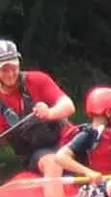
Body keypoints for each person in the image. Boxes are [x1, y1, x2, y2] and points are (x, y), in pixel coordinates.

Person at [0, 38, 77, 186]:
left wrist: (49, 113)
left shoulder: (36, 79)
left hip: (67, 142)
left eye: (14, 67)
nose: (10, 74)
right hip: (36, 154)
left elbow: (68, 106)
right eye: (4, 69)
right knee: (53, 162)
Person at [52, 87, 111, 197]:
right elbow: (60, 157)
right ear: (108, 113)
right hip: (91, 188)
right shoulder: (89, 134)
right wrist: (89, 172)